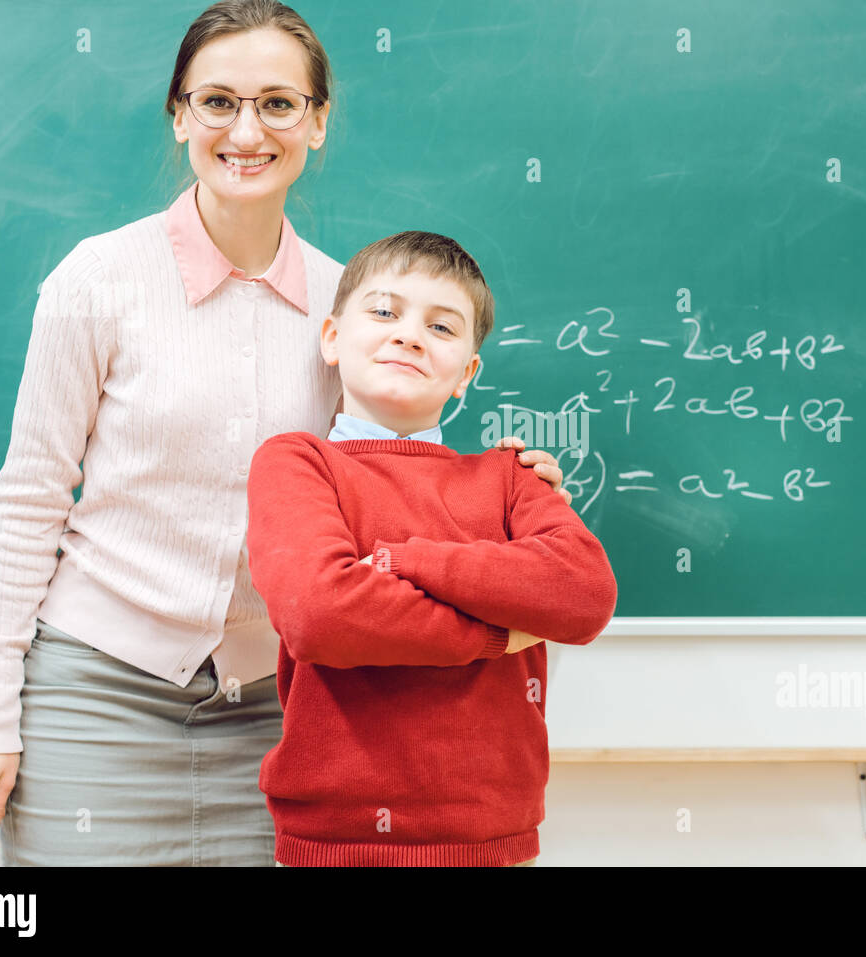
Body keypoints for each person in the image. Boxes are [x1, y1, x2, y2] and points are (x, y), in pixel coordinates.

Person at [0, 0, 569, 867]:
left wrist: (503, 495)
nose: (248, 129)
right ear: (180, 115)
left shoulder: (350, 306)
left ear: (317, 123)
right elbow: (27, 504)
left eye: (279, 103)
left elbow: (382, 480)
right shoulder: (97, 281)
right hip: (95, 694)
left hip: (287, 711)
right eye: (218, 101)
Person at [247, 231, 618, 867]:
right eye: (385, 312)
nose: (411, 336)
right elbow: (320, 614)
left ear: (466, 376)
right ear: (332, 338)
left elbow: (583, 594)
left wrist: (402, 559)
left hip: (493, 840)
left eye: (442, 328)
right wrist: (498, 635)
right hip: (334, 841)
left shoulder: (511, 477)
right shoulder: (297, 463)